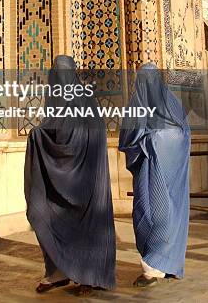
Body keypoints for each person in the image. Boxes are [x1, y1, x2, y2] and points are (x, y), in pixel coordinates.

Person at [24, 55, 116, 295]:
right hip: (59, 177)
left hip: (87, 178)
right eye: (56, 72)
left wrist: (41, 136)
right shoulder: (54, 99)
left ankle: (91, 274)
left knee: (88, 226)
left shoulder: (86, 101)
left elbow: (77, 137)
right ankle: (58, 272)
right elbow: (55, 130)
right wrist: (41, 136)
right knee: (38, 211)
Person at [119, 63, 191, 287]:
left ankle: (156, 268)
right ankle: (163, 265)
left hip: (170, 173)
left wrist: (154, 139)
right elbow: (128, 136)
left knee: (162, 214)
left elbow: (182, 134)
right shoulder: (139, 106)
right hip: (148, 170)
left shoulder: (171, 104)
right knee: (148, 213)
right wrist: (148, 141)